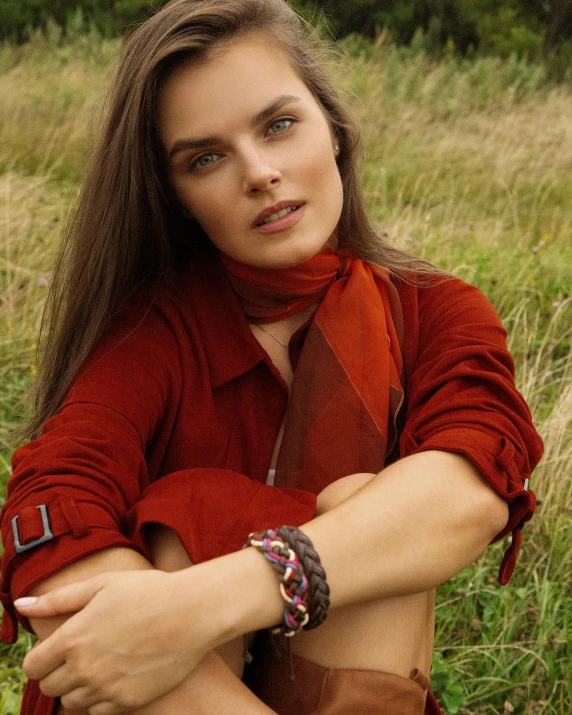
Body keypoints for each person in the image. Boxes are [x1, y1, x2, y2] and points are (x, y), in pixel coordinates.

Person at [0, 0, 543, 713]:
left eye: (279, 125)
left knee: (366, 505)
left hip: (339, 669)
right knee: (185, 517)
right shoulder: (153, 329)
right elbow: (50, 509)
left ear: (337, 130)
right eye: (206, 157)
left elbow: (469, 488)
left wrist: (201, 603)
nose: (259, 173)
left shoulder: (432, 310)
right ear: (178, 198)